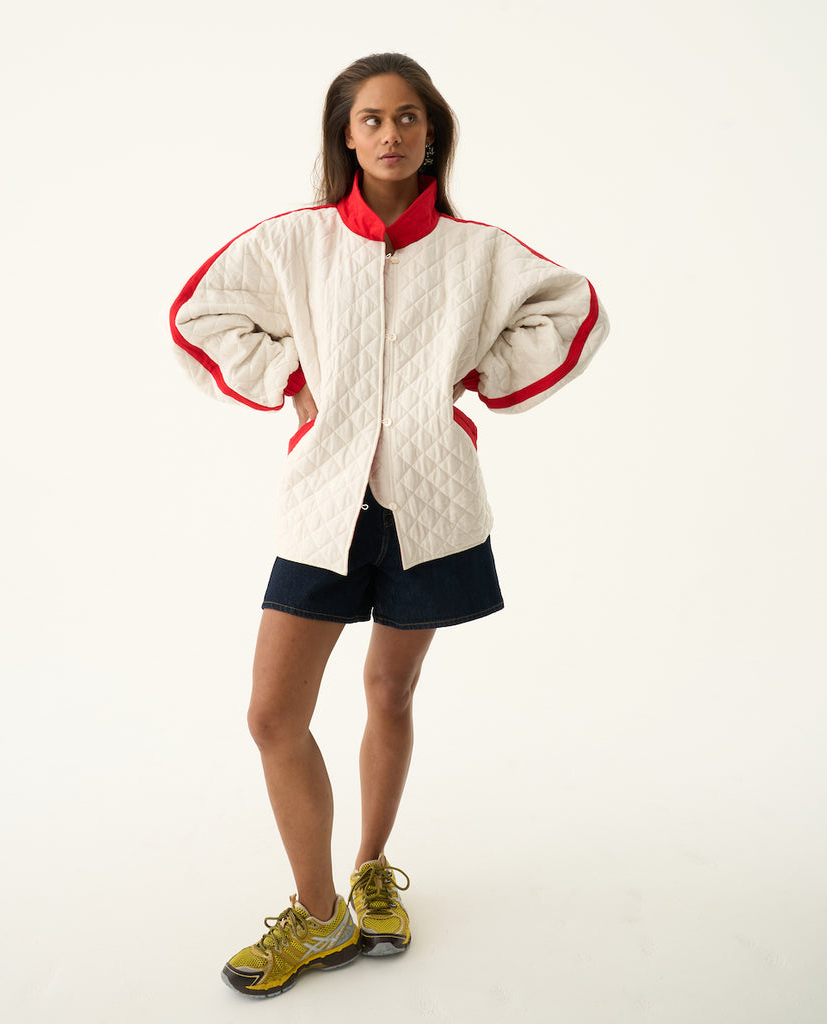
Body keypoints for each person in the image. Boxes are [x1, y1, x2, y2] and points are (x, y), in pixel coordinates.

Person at [170, 52, 608, 998]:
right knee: (273, 716)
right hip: (324, 504)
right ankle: (319, 914)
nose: (392, 133)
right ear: (346, 135)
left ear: (433, 132)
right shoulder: (296, 242)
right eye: (372, 119)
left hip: (430, 504)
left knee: (389, 692)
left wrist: (477, 374)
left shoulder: (477, 252)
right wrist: (291, 380)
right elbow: (198, 313)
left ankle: (371, 871)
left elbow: (573, 307)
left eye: (409, 117)